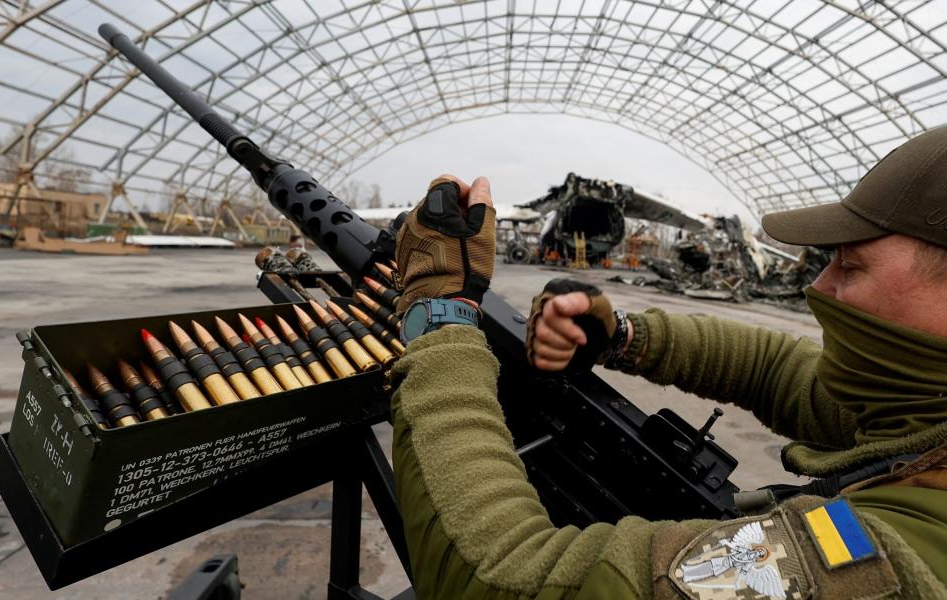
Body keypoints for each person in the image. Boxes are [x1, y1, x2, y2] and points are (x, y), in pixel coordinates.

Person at [388, 127, 947, 600]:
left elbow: (502, 576)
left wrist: (441, 320)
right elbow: (778, 369)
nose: (818, 288)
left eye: (850, 267)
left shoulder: (892, 562)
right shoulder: (925, 417)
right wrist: (620, 336)